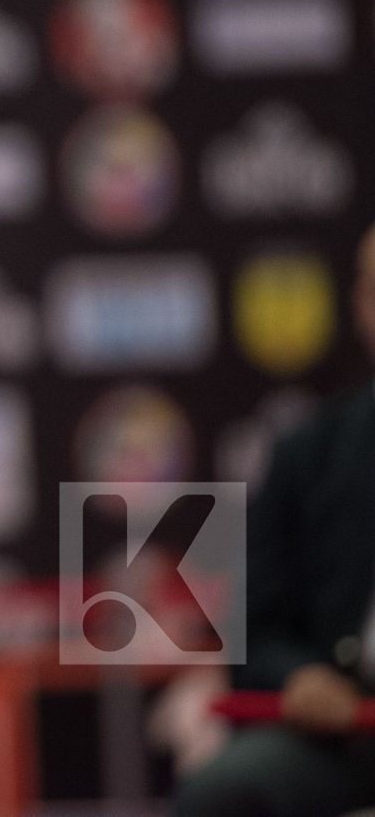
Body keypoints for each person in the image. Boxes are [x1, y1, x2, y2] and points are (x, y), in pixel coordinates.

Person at [172, 221, 375, 817]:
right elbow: (254, 632)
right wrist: (300, 678)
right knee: (221, 795)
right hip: (350, 732)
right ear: (363, 306)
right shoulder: (310, 452)